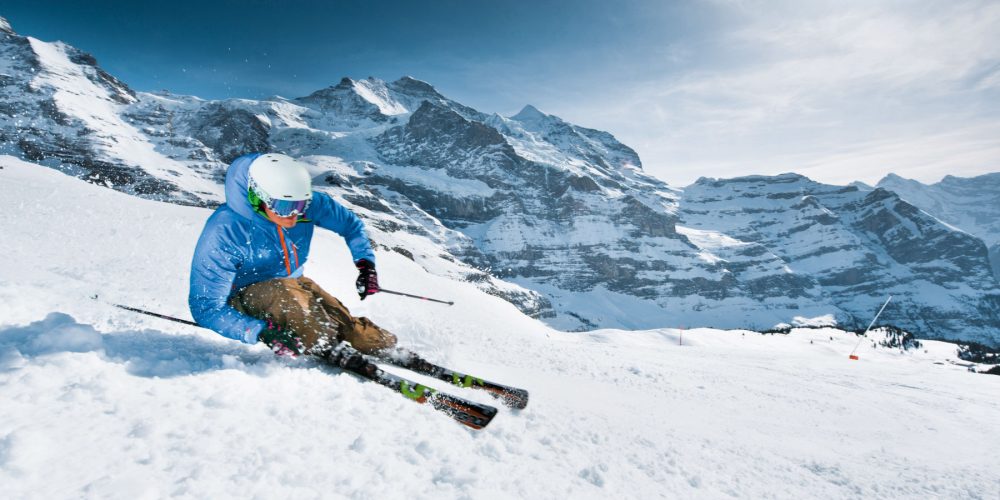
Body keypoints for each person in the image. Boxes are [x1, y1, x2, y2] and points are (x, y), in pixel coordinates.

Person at [188, 152, 397, 362]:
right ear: (258, 198)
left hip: (292, 282)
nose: (294, 215)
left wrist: (365, 264)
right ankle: (329, 347)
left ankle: (385, 349)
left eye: (301, 205)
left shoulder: (306, 205)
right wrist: (258, 330)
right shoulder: (226, 230)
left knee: (353, 330)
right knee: (311, 323)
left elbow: (351, 225)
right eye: (285, 207)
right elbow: (206, 307)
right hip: (243, 297)